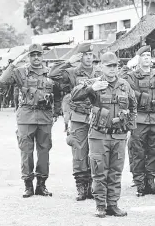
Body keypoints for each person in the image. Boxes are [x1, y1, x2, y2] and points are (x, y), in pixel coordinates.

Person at [71, 52, 137, 218]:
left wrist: (129, 127)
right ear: (101, 66)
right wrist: (91, 88)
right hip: (99, 135)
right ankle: (100, 205)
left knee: (115, 172)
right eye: (109, 66)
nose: (112, 69)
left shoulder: (124, 85)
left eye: (115, 66)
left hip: (119, 136)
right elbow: (75, 97)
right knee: (99, 172)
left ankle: (113, 204)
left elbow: (133, 106)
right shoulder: (94, 83)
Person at [0, 43, 62, 198]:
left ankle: (41, 185)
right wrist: (14, 62)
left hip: (45, 117)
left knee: (44, 152)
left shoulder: (50, 73)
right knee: (26, 151)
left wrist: (55, 113)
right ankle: (28, 185)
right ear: (28, 57)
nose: (36, 58)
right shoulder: (21, 72)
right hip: (26, 116)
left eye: (38, 55)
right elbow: (3, 80)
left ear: (42, 56)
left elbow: (58, 93)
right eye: (32, 55)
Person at [49, 43, 102, 201]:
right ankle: (81, 187)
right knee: (79, 152)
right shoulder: (72, 72)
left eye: (90, 55)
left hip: (97, 117)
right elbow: (52, 74)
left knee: (96, 153)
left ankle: (93, 186)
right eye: (84, 55)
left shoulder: (100, 72)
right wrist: (68, 61)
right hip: (79, 117)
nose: (88, 57)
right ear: (80, 56)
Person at [121, 45, 155, 197]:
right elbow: (121, 79)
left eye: (148, 55)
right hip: (139, 118)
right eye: (143, 55)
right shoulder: (132, 75)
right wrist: (128, 65)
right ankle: (140, 183)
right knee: (138, 152)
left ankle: (151, 182)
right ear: (138, 59)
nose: (147, 57)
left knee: (154, 152)